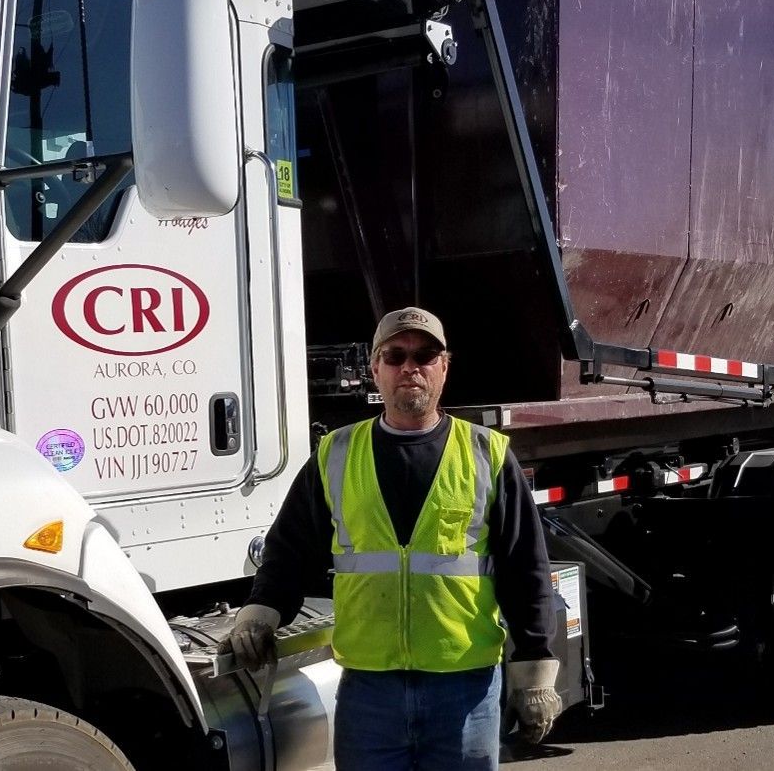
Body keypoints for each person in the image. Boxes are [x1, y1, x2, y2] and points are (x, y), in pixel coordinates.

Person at [222, 306, 561, 770]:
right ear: (375, 369)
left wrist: (536, 672)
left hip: (464, 689)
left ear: (444, 367)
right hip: (369, 692)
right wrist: (260, 614)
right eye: (395, 355)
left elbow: (527, 571)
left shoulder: (487, 455)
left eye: (425, 355)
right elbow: (288, 553)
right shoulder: (335, 455)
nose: (410, 367)